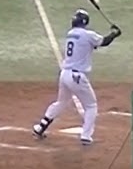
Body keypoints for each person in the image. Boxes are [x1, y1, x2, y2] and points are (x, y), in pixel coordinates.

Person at [32, 10, 122, 146]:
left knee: (61, 102)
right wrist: (114, 33)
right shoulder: (88, 35)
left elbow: (89, 45)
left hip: (64, 75)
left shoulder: (71, 34)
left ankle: (41, 127)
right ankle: (86, 136)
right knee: (91, 105)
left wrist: (109, 36)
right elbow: (104, 42)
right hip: (77, 76)